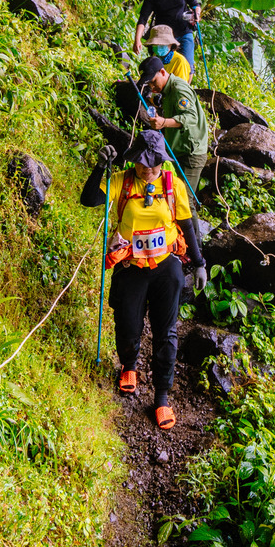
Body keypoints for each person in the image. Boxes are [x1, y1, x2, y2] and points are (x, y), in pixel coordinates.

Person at [81, 130, 203, 429]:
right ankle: (129, 366)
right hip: (131, 265)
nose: (149, 171)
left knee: (166, 333)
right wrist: (100, 168)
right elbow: (88, 200)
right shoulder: (122, 180)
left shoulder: (172, 185)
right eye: (144, 166)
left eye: (155, 166)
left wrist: (199, 263)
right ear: (134, 161)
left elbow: (187, 224)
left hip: (165, 266)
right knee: (128, 322)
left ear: (163, 162)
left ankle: (161, 397)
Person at [137, 54, 208, 185]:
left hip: (191, 153)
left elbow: (191, 117)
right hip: (178, 149)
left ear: (163, 72)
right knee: (173, 195)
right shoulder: (165, 91)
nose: (152, 87)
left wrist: (163, 122)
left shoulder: (179, 89)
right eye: (149, 84)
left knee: (185, 200)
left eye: (153, 81)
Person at [132, 0, 199, 73]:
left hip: (184, 32)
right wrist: (137, 39)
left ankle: (184, 88)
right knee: (161, 66)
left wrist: (197, 14)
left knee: (188, 66)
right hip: (163, 37)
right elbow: (143, 19)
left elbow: (195, 4)